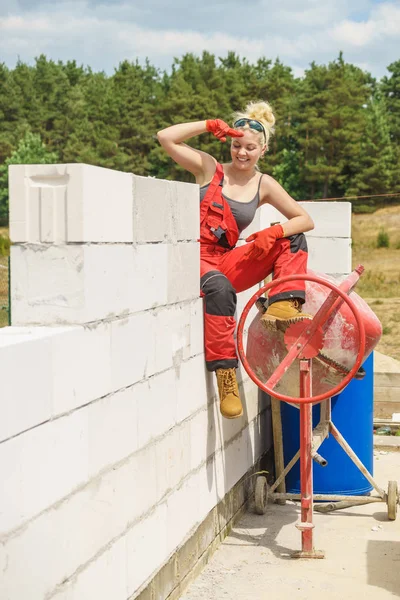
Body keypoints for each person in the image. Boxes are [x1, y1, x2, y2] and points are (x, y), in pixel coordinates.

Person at [157, 101, 314, 420]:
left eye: (250, 148)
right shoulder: (208, 168)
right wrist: (207, 123)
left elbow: (304, 220)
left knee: (293, 237)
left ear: (263, 149)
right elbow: (166, 137)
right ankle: (226, 375)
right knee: (220, 288)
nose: (242, 153)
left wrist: (277, 231)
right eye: (237, 145)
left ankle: (282, 306)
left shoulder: (264, 184)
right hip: (196, 260)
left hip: (227, 259)